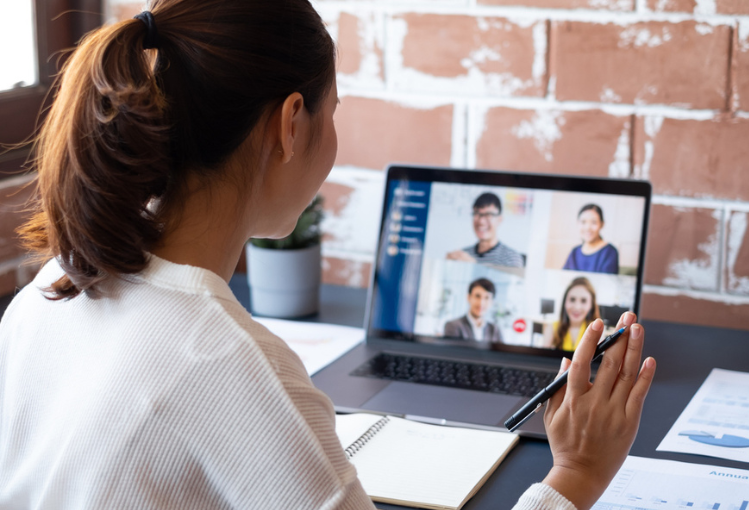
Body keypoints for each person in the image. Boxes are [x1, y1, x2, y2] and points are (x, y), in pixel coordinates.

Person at [0, 1, 656, 509]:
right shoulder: (225, 365)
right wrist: (576, 474)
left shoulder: (48, 292)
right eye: (332, 110)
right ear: (291, 123)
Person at [446, 192, 526, 268]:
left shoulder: (511, 258)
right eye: (477, 214)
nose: (481, 221)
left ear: (499, 219)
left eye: (488, 215)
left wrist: (473, 267)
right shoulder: (463, 254)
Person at [563, 204, 619, 274]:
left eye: (594, 222)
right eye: (583, 222)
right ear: (578, 223)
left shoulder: (609, 252)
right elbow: (563, 278)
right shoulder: (575, 251)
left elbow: (606, 283)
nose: (588, 228)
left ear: (602, 224)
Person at [443, 278, 504, 343]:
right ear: (469, 297)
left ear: (491, 302)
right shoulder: (454, 326)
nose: (481, 303)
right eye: (477, 296)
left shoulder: (495, 331)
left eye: (487, 298)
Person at [549, 277, 602, 351]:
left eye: (583, 301)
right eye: (572, 299)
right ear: (565, 302)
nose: (577, 307)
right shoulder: (552, 328)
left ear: (591, 305)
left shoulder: (596, 331)